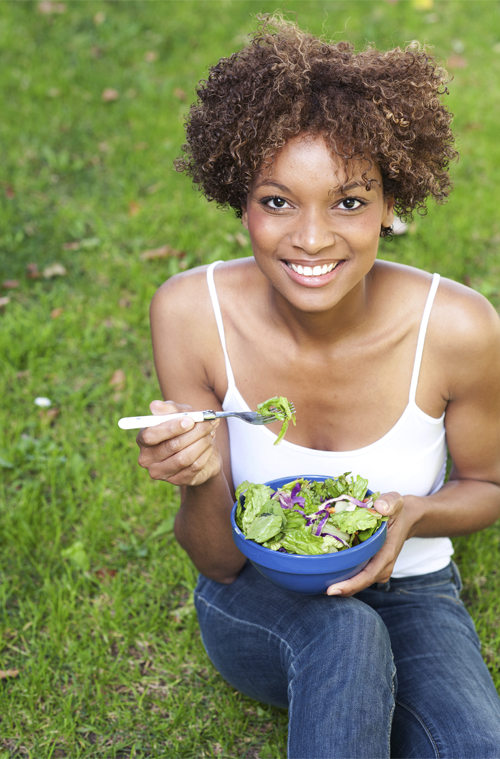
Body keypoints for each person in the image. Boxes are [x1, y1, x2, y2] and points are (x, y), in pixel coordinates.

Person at [136, 15, 500, 758]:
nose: (310, 238)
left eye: (349, 201)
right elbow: (217, 559)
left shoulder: (458, 326)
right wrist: (200, 477)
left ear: (391, 206)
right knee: (346, 633)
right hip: (260, 595)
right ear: (239, 198)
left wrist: (413, 515)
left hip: (411, 584)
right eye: (277, 202)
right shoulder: (189, 313)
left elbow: (490, 484)